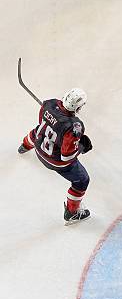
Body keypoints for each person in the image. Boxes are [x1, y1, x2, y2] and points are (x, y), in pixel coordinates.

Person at [18, 88, 92, 225]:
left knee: (38, 131)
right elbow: (67, 157)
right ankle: (72, 213)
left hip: (39, 146)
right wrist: (82, 147)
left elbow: (42, 124)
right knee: (82, 181)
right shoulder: (75, 126)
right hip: (54, 161)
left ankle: (25, 145)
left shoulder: (49, 104)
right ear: (78, 107)